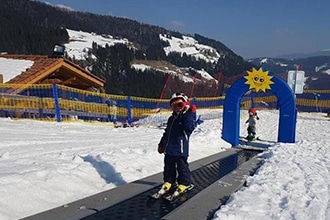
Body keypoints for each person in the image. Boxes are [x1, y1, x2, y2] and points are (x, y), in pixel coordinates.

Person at [157, 92, 196, 197]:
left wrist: (189, 113)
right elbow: (167, 133)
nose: (177, 108)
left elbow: (189, 128)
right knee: (168, 167)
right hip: (169, 148)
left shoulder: (187, 117)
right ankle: (169, 181)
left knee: (182, 167)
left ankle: (184, 183)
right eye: (174, 106)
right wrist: (161, 144)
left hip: (181, 149)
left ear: (185, 104)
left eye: (180, 105)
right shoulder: (171, 119)